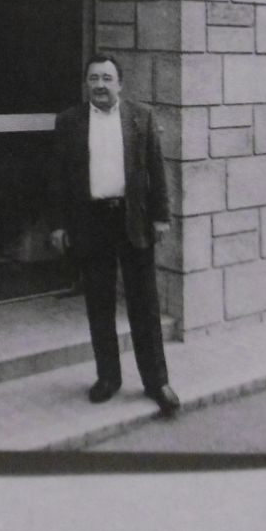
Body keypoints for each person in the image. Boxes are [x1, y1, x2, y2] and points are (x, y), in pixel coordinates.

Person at [48, 53, 181, 416]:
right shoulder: (69, 121)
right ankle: (108, 378)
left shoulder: (141, 117)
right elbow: (58, 179)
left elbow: (156, 169)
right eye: (94, 79)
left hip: (132, 220)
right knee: (99, 303)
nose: (100, 85)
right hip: (91, 223)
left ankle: (157, 382)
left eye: (107, 78)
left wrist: (161, 217)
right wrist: (60, 224)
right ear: (86, 84)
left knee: (144, 304)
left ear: (120, 83)